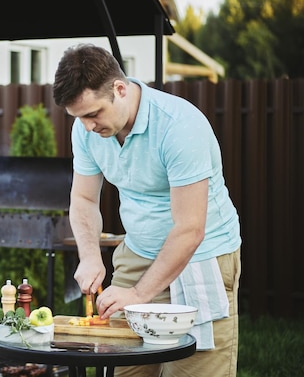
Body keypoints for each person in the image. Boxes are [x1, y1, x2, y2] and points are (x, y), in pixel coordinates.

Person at [52, 44, 242, 377]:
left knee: (191, 369)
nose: (86, 126)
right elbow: (83, 200)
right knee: (125, 368)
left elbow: (190, 229)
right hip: (138, 254)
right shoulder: (87, 131)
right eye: (78, 117)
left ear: (119, 89)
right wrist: (90, 256)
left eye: (93, 113)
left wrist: (138, 294)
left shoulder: (180, 126)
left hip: (200, 259)